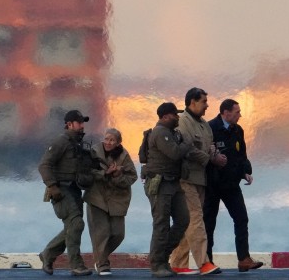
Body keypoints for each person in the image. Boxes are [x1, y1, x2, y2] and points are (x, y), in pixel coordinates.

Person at [169, 88, 227, 276]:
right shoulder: (182, 123)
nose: (207, 105)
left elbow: (209, 147)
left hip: (200, 179)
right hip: (185, 178)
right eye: (203, 101)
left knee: (187, 221)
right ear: (192, 103)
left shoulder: (203, 124)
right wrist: (210, 159)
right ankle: (204, 263)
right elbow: (187, 149)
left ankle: (178, 262)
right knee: (196, 220)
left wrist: (218, 156)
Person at [204, 99, 264, 272]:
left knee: (241, 218)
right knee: (209, 223)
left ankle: (244, 259)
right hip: (213, 184)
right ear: (226, 112)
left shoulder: (238, 130)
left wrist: (246, 171)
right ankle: (207, 261)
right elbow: (203, 154)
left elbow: (242, 154)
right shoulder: (210, 128)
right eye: (237, 112)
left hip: (231, 184)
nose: (240, 115)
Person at [38, 109, 95, 277]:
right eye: (79, 123)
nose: (82, 126)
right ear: (69, 124)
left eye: (83, 123)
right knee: (76, 224)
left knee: (72, 227)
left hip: (75, 189)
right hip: (61, 189)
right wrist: (52, 187)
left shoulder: (77, 144)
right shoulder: (61, 142)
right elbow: (44, 165)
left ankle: (48, 253)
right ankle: (76, 265)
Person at [145, 102, 197, 278]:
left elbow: (180, 153)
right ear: (166, 116)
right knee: (161, 224)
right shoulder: (160, 133)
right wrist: (187, 143)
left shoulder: (171, 133)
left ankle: (163, 256)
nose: (177, 118)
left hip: (173, 182)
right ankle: (157, 264)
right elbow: (174, 153)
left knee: (183, 219)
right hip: (160, 183)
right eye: (175, 115)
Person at [84, 128, 138, 276]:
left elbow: (132, 177)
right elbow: (87, 172)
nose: (108, 142)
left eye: (112, 140)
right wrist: (104, 173)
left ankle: (99, 257)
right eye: (106, 139)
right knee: (101, 233)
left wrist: (117, 175)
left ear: (118, 142)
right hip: (97, 197)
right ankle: (102, 264)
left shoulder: (124, 156)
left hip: (117, 199)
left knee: (118, 234)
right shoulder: (93, 152)